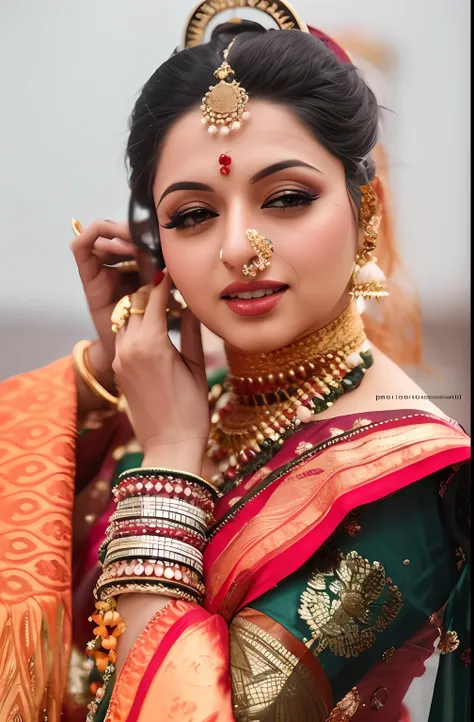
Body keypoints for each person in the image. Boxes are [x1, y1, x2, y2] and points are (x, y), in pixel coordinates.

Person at [0, 2, 470, 721]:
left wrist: (168, 463)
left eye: (286, 198)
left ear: (364, 211)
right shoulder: (194, 397)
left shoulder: (401, 484)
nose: (235, 249)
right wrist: (106, 371)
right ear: (156, 243)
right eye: (193, 214)